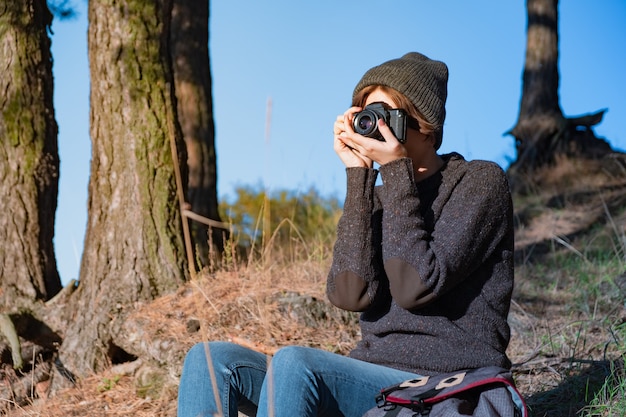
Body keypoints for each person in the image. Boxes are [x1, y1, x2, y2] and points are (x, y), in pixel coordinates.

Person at [177, 52, 515, 417]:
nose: (376, 128)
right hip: (371, 382)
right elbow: (350, 294)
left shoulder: (479, 182)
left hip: (443, 385)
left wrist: (396, 170)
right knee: (210, 361)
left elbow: (415, 286)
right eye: (368, 116)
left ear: (427, 128)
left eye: (389, 117)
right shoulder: (379, 195)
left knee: (295, 363)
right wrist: (359, 177)